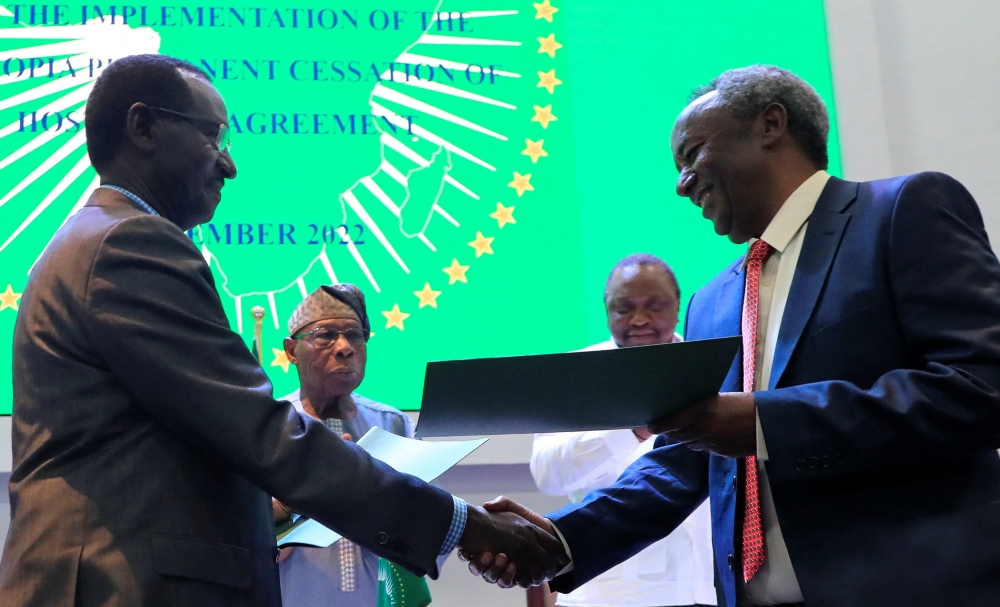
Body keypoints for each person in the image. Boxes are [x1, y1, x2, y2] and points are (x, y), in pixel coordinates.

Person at [0, 54, 565, 607]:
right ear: (143, 126)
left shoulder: (95, 241)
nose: (229, 165)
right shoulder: (129, 244)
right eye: (214, 138)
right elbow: (258, 432)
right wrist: (461, 524)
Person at [469, 65, 1000, 606]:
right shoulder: (712, 302)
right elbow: (688, 459)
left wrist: (769, 422)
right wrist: (559, 538)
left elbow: (980, 387)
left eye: (692, 154)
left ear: (770, 125)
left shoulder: (902, 212)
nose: (681, 185)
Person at [531, 254, 715, 607]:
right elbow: (548, 475)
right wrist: (634, 428)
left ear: (678, 306)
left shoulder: (711, 368)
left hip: (712, 586)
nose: (640, 320)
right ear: (607, 312)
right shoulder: (575, 374)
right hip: (612, 592)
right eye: (624, 308)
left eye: (655, 305)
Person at [273, 283, 432, 606]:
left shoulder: (392, 424)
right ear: (291, 351)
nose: (344, 347)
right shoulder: (268, 427)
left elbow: (430, 527)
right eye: (325, 335)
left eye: (355, 334)